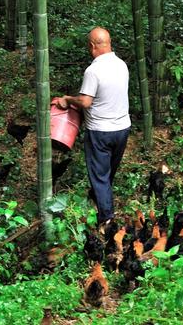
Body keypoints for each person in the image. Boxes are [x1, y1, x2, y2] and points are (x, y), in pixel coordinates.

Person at [56, 27, 131, 229]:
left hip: (100, 131)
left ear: (91, 46)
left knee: (100, 176)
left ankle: (106, 220)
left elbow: (86, 101)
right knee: (106, 174)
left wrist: (68, 99)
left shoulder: (93, 70)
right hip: (123, 128)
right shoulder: (121, 65)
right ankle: (98, 198)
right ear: (109, 42)